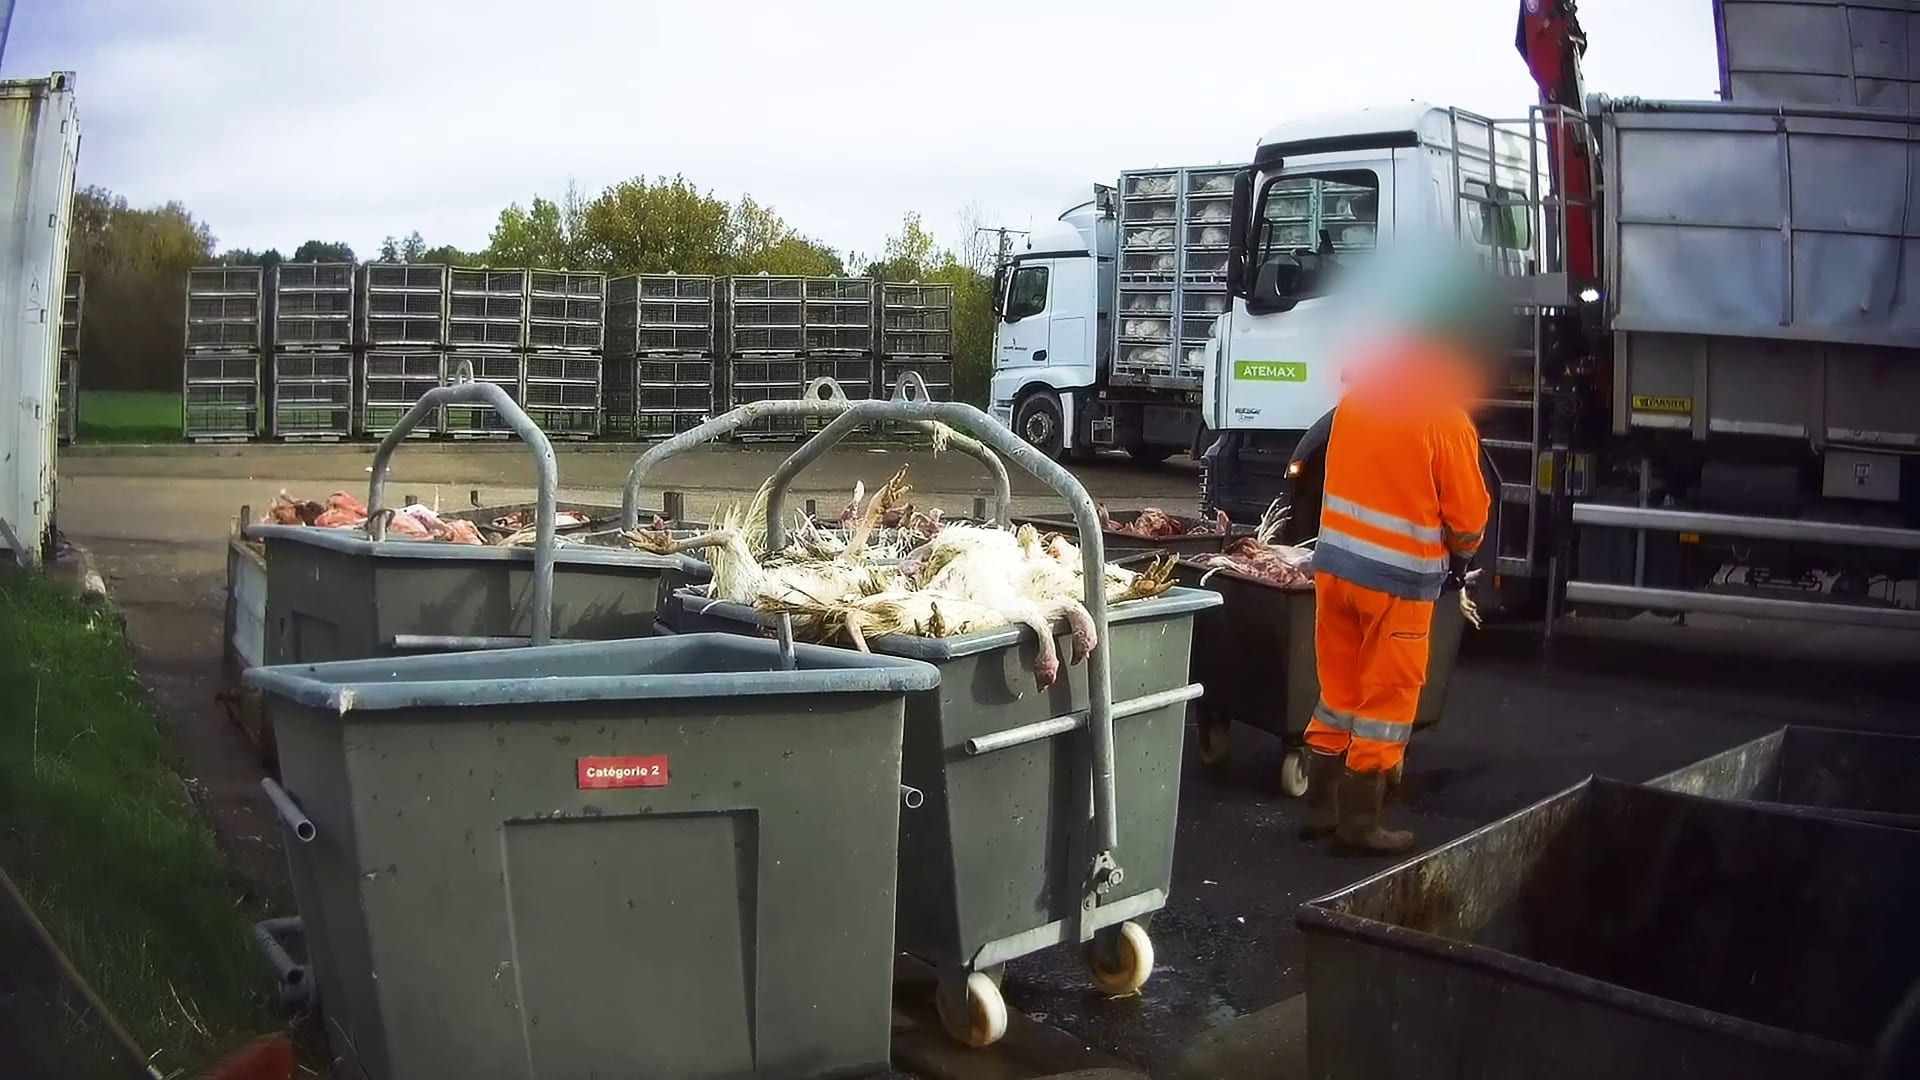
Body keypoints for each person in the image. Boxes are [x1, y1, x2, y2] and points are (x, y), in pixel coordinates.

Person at [1299, 253, 1494, 853]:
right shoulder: (1445, 419)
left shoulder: (1356, 401)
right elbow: (1469, 519)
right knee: (1386, 701)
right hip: (1397, 586)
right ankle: (1360, 824)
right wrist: (1461, 558)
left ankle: (1320, 808)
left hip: (1334, 573)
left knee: (1339, 694)